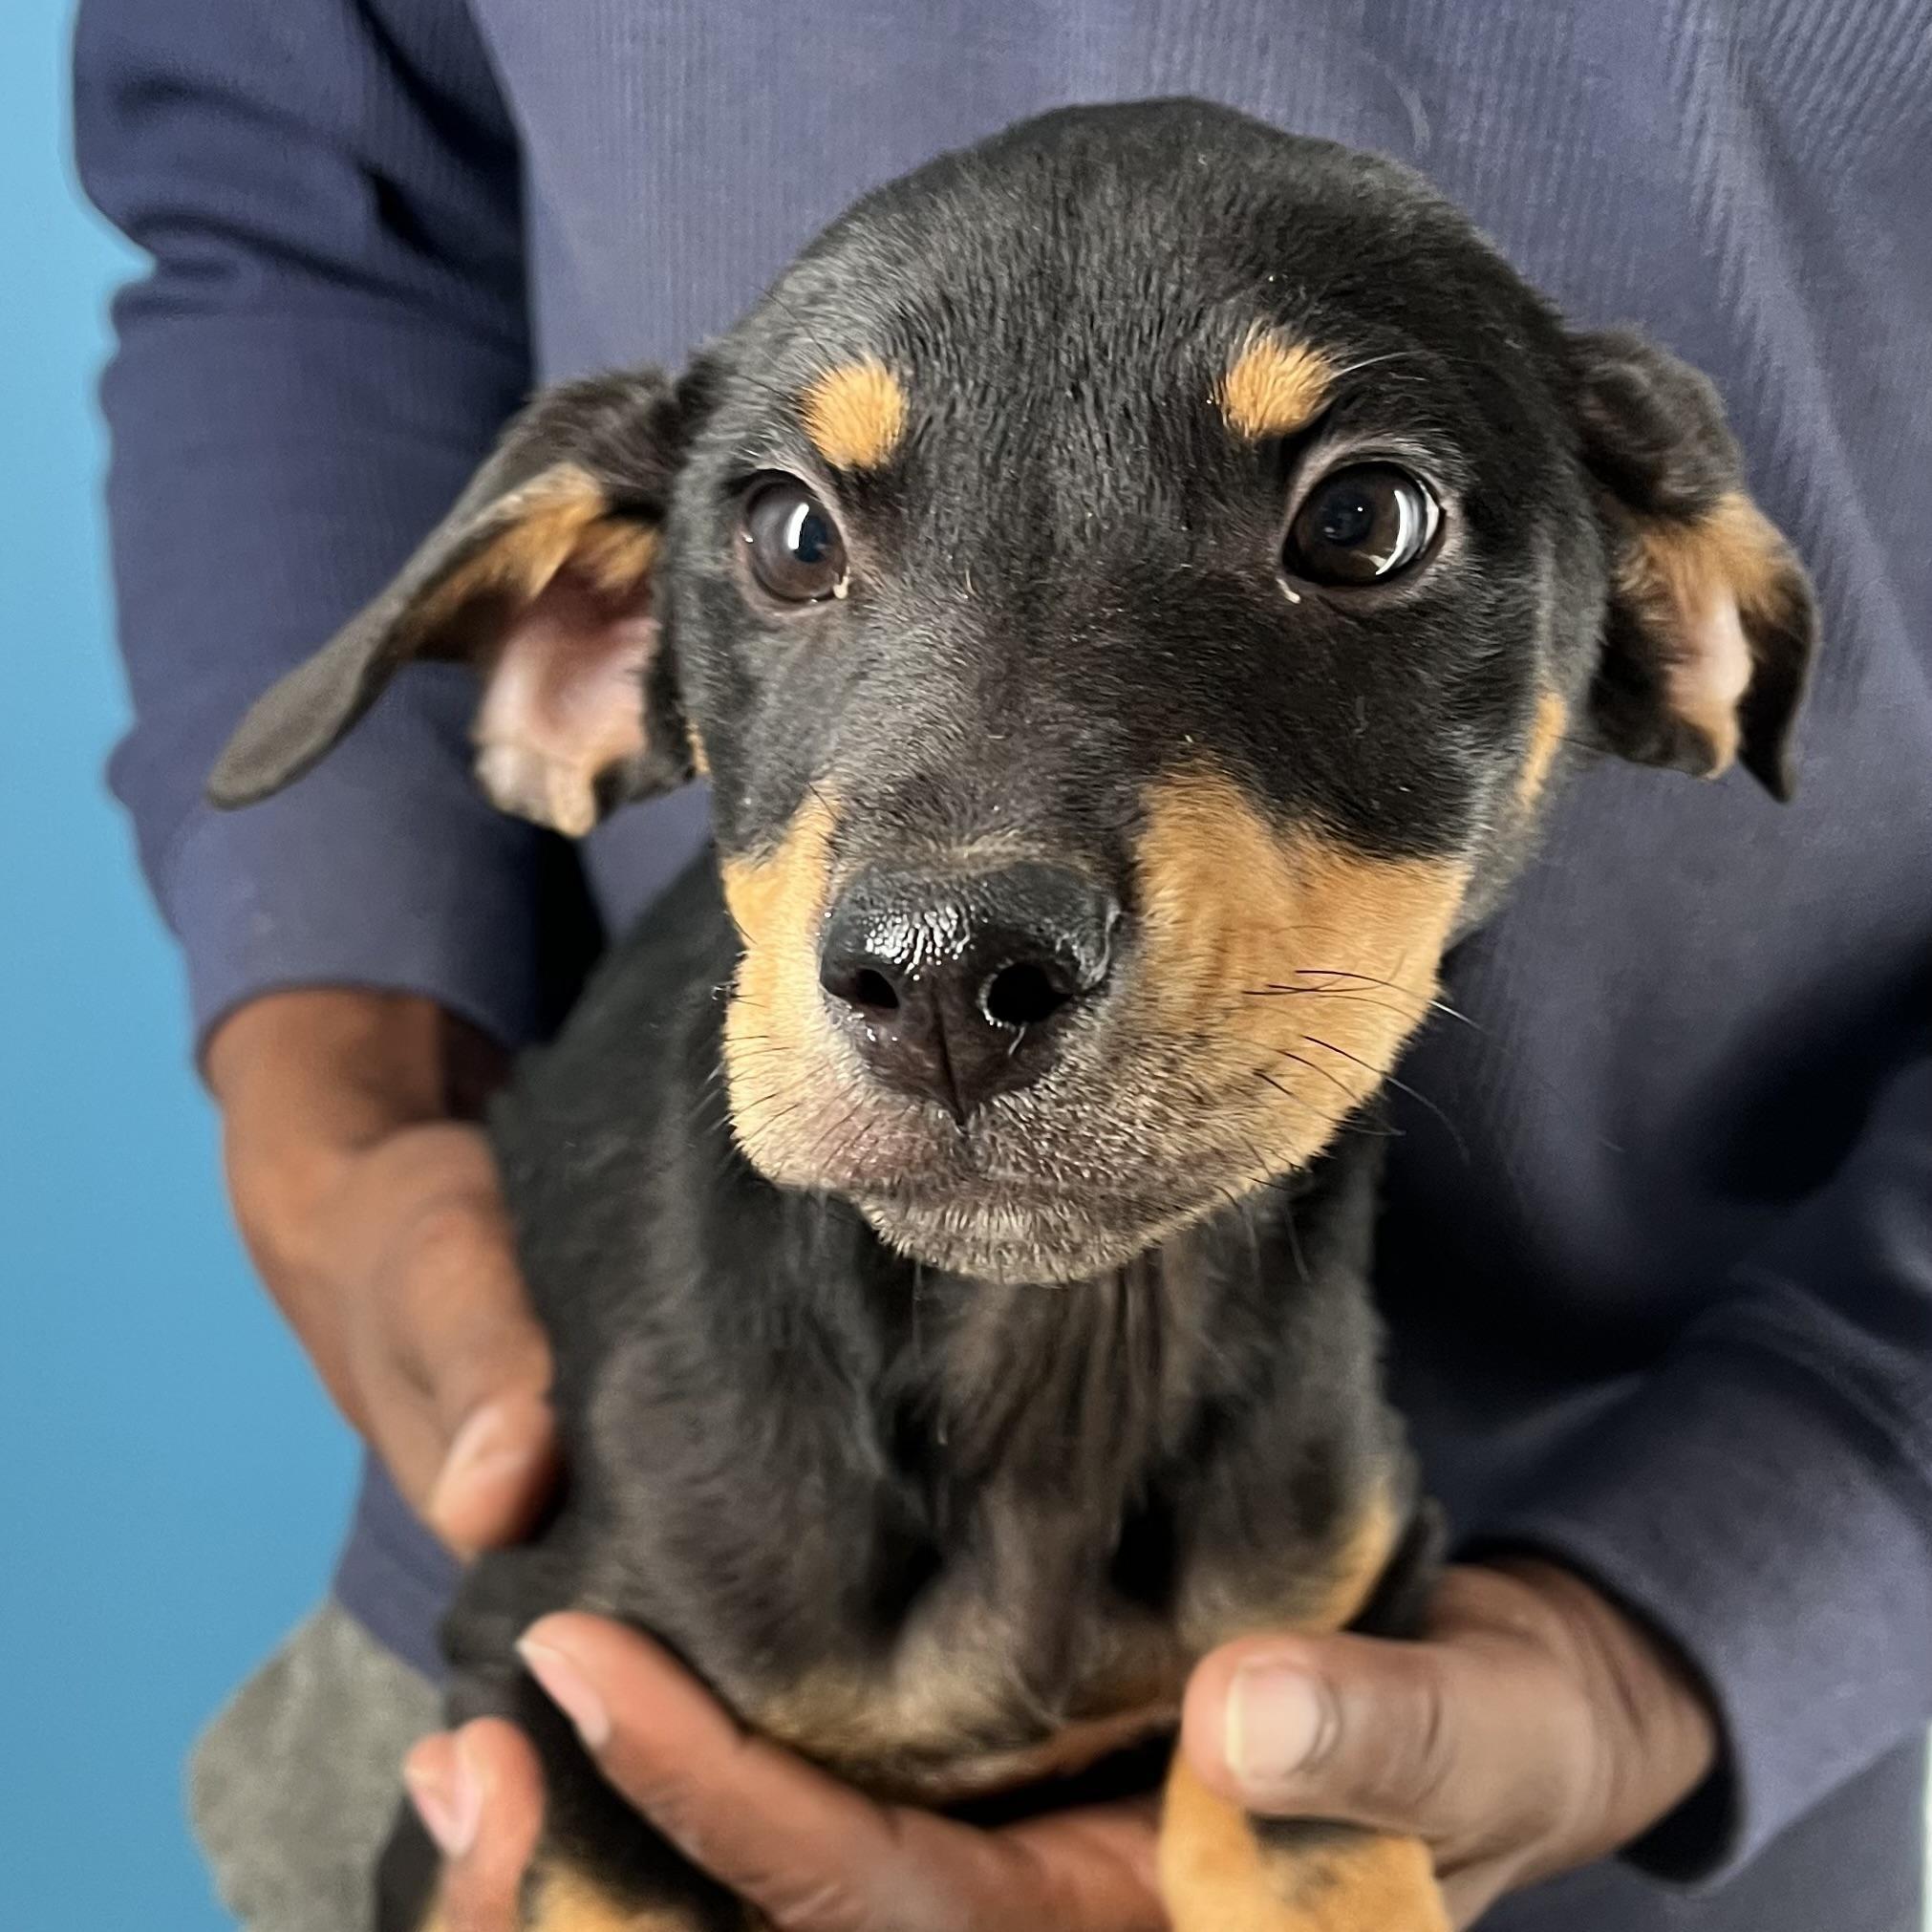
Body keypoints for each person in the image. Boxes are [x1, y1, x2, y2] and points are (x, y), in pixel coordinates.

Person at [73, 4, 1932, 1929]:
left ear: (1670, 628)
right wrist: (336, 1035)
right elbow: (297, 197)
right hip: (579, 1538)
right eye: (793, 541)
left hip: (1656, 1694)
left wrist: (1733, 1579)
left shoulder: (1336, 1487)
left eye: (1360, 527)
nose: (950, 937)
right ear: (593, 652)